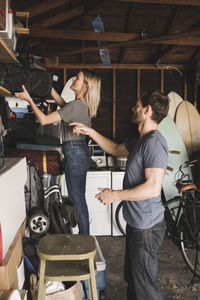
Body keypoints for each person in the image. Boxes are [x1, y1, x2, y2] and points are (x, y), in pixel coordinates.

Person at [70, 89, 169, 300]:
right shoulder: (140, 140)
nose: (133, 109)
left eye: (137, 106)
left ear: (148, 110)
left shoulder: (154, 143)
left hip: (147, 226)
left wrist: (115, 195)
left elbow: (152, 187)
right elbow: (115, 149)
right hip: (138, 224)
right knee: (134, 280)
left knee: (145, 288)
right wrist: (90, 132)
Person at [15, 69, 101, 235]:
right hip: (78, 152)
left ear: (86, 86)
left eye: (78, 78)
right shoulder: (81, 106)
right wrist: (49, 86)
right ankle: (85, 239)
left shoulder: (77, 106)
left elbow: (44, 120)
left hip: (75, 154)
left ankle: (85, 240)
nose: (74, 79)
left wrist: (29, 100)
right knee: (79, 200)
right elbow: (63, 105)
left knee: (78, 201)